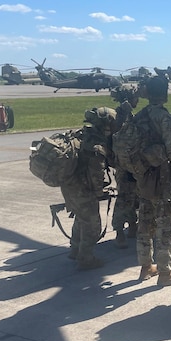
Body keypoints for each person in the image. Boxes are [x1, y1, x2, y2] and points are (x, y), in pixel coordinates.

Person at [133, 75, 171, 286]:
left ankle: (145, 267)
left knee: (145, 223)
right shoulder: (164, 118)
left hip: (143, 178)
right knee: (166, 225)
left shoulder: (138, 116)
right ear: (164, 92)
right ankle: (165, 273)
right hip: (163, 180)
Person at [62, 107, 117, 270]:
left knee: (81, 218)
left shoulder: (82, 134)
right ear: (105, 125)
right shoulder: (96, 144)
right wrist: (100, 191)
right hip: (82, 190)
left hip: (69, 185)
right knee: (92, 225)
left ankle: (74, 250)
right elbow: (96, 172)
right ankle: (85, 259)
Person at [109, 85, 140, 249]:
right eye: (136, 97)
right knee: (124, 198)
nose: (138, 100)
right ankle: (119, 231)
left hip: (128, 163)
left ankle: (132, 226)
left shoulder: (123, 113)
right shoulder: (122, 116)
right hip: (125, 165)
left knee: (133, 197)